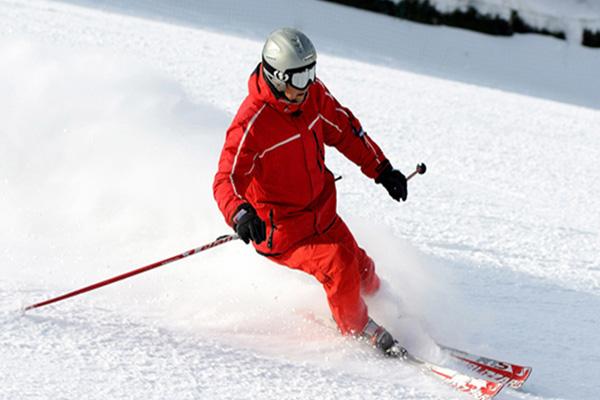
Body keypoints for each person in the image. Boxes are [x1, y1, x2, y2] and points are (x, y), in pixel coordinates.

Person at [213, 28, 408, 355]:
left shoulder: (313, 97)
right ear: (277, 77)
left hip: (322, 214)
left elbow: (346, 131)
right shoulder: (252, 123)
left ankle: (390, 306)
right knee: (339, 265)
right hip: (283, 230)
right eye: (300, 77)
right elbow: (226, 178)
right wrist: (240, 212)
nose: (308, 84)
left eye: (312, 73)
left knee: (361, 266)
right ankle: (358, 329)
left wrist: (382, 169)